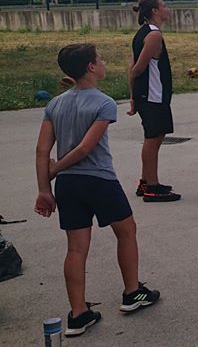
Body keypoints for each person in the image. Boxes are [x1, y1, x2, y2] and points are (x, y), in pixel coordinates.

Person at [34, 44, 160, 337]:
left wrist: (45, 188)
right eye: (100, 59)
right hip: (99, 180)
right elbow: (85, 148)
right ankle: (132, 293)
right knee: (126, 230)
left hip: (68, 185)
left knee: (76, 248)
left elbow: (42, 149)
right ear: (91, 67)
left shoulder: (55, 104)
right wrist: (55, 169)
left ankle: (78, 314)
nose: (104, 62)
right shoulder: (103, 102)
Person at [127, 0, 179, 202]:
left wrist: (133, 96)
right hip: (152, 95)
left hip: (149, 95)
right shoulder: (154, 35)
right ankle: (152, 186)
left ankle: (146, 180)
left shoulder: (143, 33)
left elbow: (132, 67)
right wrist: (135, 93)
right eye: (164, 5)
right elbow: (136, 68)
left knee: (156, 137)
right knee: (153, 138)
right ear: (155, 11)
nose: (167, 9)